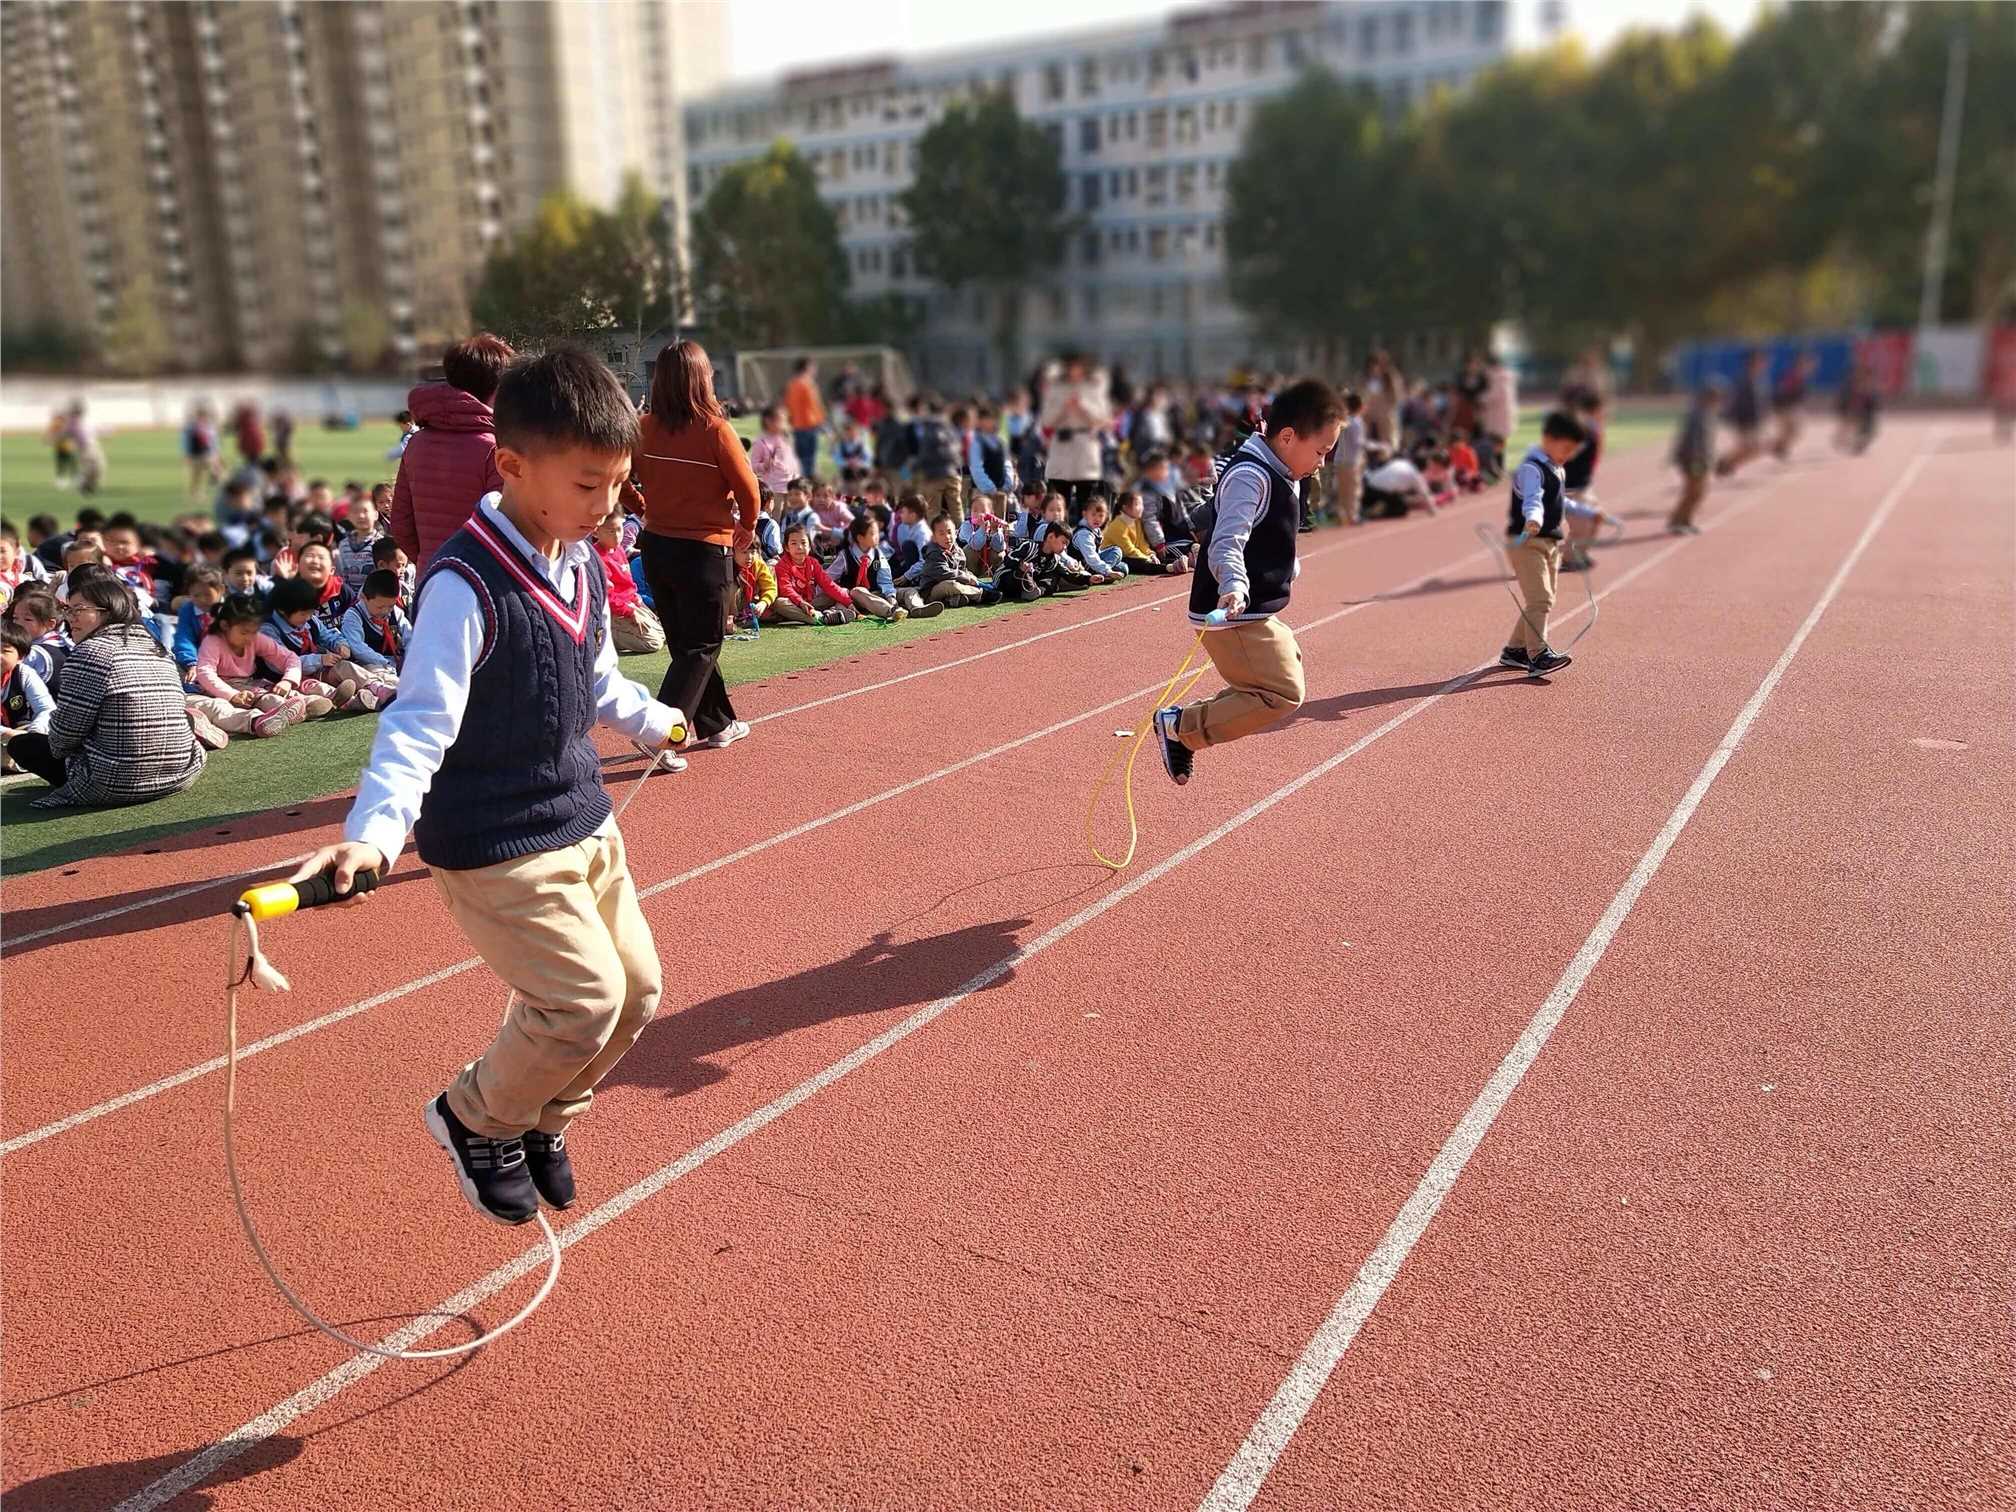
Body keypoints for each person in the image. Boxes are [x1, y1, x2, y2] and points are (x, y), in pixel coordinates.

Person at [289, 347, 685, 1227]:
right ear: (511, 466)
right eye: (589, 485)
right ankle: (474, 1117)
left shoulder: (578, 557)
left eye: (618, 484)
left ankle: (542, 1118)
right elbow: (418, 719)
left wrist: (653, 721)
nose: (608, 506)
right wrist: (375, 833)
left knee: (639, 991)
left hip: (582, 817)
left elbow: (598, 678)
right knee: (582, 1001)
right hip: (496, 838)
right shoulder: (463, 584)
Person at [1153, 380, 1345, 786]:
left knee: (1283, 669)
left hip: (1257, 609)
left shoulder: (1285, 468)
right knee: (1282, 694)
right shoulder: (1251, 476)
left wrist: (1286, 566)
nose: (1322, 463)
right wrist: (1235, 585)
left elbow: (1270, 531)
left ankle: (1183, 724)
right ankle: (1179, 727)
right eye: (1321, 451)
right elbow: (1228, 538)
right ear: (1289, 436)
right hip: (1231, 611)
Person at [628, 338, 760, 751]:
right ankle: (659, 731)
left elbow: (618, 476)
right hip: (705, 550)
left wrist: (641, 506)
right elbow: (749, 491)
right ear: (701, 380)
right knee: (701, 646)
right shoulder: (715, 430)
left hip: (658, 546)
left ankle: (718, 722)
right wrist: (749, 525)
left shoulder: (643, 427)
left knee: (688, 644)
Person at [8, 577, 207, 807]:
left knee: (23, 745)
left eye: (79, 610)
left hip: (114, 783)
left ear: (108, 610)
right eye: (67, 610)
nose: (70, 618)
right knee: (184, 719)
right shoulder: (156, 647)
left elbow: (63, 738)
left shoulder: (89, 653)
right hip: (181, 775)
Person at [390, 333, 514, 567]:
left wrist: (430, 560)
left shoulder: (416, 443)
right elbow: (506, 525)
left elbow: (400, 524)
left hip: (432, 577)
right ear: (496, 388)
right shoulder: (494, 447)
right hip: (484, 580)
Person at [1496, 411, 1599, 677]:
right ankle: (1538, 655)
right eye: (1565, 448)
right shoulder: (1531, 468)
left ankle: (1514, 650)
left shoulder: (1556, 467)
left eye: (1572, 451)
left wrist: (1589, 512)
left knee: (1542, 599)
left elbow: (1559, 501)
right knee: (1540, 598)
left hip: (1550, 542)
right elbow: (1534, 499)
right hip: (1527, 541)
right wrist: (1533, 518)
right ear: (1548, 439)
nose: (1567, 455)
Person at [192, 590, 331, 721]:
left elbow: (289, 657)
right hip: (222, 688)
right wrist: (231, 694)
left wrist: (288, 681)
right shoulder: (212, 642)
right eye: (244, 632)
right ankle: (295, 711)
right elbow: (205, 673)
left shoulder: (254, 638)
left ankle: (317, 702)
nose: (249, 638)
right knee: (267, 699)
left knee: (280, 692)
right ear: (225, 626)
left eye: (254, 631)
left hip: (251, 683)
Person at [825, 513, 942, 622]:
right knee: (857, 590)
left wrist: (891, 596)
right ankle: (890, 611)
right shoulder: (845, 556)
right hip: (853, 599)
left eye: (877, 532)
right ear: (860, 538)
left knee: (908, 591)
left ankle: (918, 608)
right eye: (872, 533)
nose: (877, 537)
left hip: (876, 595)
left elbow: (885, 580)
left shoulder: (878, 554)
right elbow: (827, 578)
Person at [1038, 356, 1112, 515]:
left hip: (1085, 444)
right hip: (1062, 443)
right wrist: (1063, 409)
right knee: (1058, 495)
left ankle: (1084, 534)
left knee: (1086, 497)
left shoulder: (1093, 388)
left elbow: (1102, 417)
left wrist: (1082, 406)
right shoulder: (1056, 388)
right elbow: (1047, 420)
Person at [592, 511, 665, 655]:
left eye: (619, 530)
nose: (617, 535)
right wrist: (629, 611)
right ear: (596, 532)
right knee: (653, 643)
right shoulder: (597, 558)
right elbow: (607, 596)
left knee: (663, 634)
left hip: (629, 604)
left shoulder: (618, 551)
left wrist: (636, 600)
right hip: (614, 610)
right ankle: (603, 635)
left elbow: (628, 584)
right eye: (611, 531)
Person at [773, 523, 855, 626]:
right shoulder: (781, 565)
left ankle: (832, 613)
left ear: (810, 547)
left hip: (811, 602)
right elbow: (785, 589)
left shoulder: (813, 563)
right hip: (794, 603)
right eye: (794, 543)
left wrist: (849, 603)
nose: (799, 547)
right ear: (787, 548)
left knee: (840, 592)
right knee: (780, 603)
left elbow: (828, 583)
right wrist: (800, 602)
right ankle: (821, 618)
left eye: (803, 543)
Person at [1669, 381, 1721, 535]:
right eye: (1716, 398)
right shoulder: (1698, 415)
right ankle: (1678, 521)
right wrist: (1699, 462)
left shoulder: (1705, 413)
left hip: (1697, 460)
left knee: (1697, 491)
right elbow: (1695, 442)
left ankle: (1684, 520)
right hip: (1694, 461)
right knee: (1694, 491)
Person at [1102, 491, 1188, 576]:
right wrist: (1147, 558)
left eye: (1141, 504)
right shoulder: (1117, 525)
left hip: (1130, 555)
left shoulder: (1137, 521)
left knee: (1154, 558)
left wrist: (1151, 555)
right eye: (1137, 504)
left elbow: (1142, 544)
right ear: (1125, 508)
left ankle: (1182, 562)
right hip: (1114, 558)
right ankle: (1170, 568)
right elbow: (1129, 550)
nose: (1141, 508)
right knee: (1141, 562)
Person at [918, 514, 993, 609]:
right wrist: (967, 578)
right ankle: (981, 595)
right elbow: (943, 573)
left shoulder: (958, 551)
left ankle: (955, 599)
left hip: (956, 583)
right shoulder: (934, 553)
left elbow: (963, 569)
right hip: (932, 590)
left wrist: (971, 576)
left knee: (963, 583)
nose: (947, 537)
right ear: (934, 538)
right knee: (951, 585)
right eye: (941, 534)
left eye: (950, 532)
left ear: (956, 533)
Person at [1716, 349, 1770, 477]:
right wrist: (1730, 416)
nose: (1765, 364)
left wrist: (1763, 415)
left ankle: (1727, 463)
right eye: (1761, 361)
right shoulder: (1743, 380)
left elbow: (1760, 402)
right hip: (1744, 420)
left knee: (1754, 448)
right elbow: (1734, 401)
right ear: (1753, 363)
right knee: (1753, 447)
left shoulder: (1759, 380)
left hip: (1753, 420)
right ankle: (1725, 463)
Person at [783, 356, 826, 481]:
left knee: (801, 459)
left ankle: (802, 483)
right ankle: (808, 486)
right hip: (809, 425)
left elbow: (788, 405)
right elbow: (814, 405)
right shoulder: (807, 383)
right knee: (809, 460)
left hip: (797, 425)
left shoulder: (792, 384)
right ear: (807, 367)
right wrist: (822, 421)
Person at [336, 489, 386, 593]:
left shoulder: (381, 543)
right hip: (349, 598)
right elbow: (340, 575)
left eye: (365, 511)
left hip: (373, 596)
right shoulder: (343, 544)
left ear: (376, 515)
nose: (361, 516)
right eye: (356, 512)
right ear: (349, 516)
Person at [1770, 353, 1817, 460]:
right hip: (1784, 407)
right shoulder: (1792, 376)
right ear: (1801, 364)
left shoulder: (1799, 376)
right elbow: (1783, 391)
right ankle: (1778, 447)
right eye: (1809, 364)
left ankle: (1779, 447)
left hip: (1787, 407)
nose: (1811, 368)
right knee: (1794, 430)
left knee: (1791, 431)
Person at [731, 535, 779, 630]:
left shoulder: (758, 564)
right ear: (733, 551)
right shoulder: (727, 564)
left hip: (750, 604)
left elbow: (770, 588)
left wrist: (763, 603)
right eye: (744, 552)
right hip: (731, 607)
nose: (749, 557)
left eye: (753, 552)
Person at [1072, 497, 1129, 579]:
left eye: (1101, 515)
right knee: (1117, 553)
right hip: (1083, 566)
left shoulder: (1095, 529)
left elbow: (1097, 552)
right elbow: (1091, 557)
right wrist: (1108, 571)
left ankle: (1103, 572)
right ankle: (1101, 574)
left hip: (1093, 564)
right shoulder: (1083, 534)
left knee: (1123, 567)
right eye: (1093, 514)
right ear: (1085, 514)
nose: (1097, 519)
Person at [748, 406, 799, 495]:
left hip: (790, 489)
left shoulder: (786, 439)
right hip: (773, 490)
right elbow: (753, 466)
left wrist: (796, 477)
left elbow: (793, 461)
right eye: (782, 421)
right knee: (777, 509)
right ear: (768, 421)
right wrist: (764, 466)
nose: (785, 424)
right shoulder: (761, 442)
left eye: (786, 421)